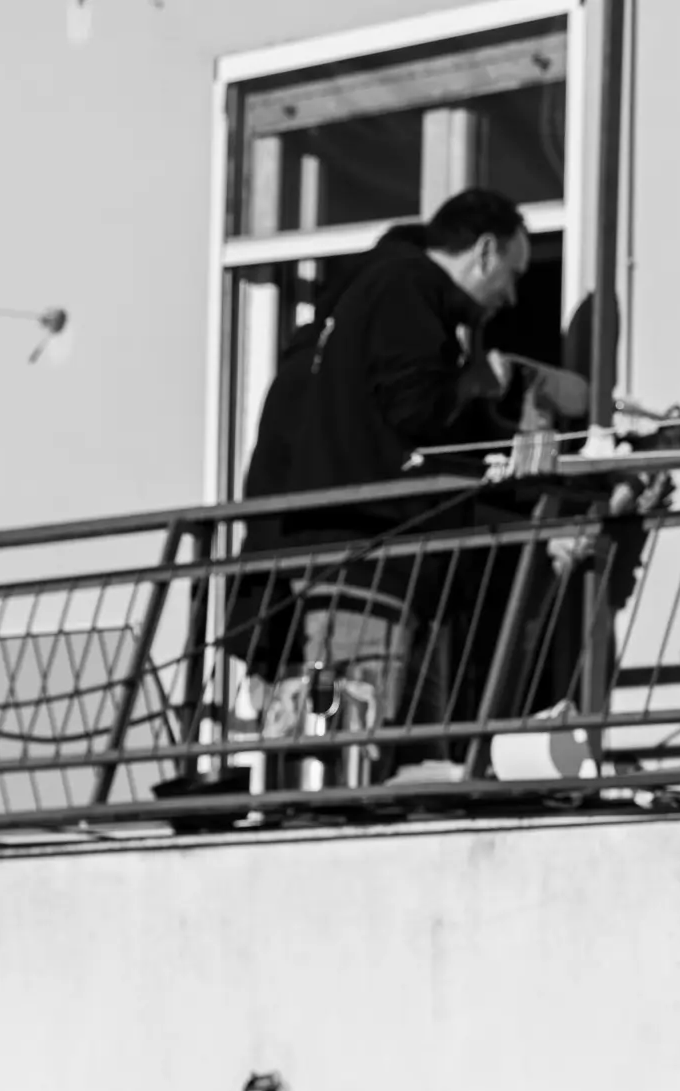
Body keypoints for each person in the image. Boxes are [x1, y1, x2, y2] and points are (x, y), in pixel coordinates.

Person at [223, 191, 531, 784]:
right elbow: (416, 411)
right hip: (368, 565)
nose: (512, 296)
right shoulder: (407, 288)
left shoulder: (353, 308)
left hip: (347, 563)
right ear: (485, 251)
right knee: (369, 752)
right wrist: (478, 381)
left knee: (387, 759)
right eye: (513, 275)